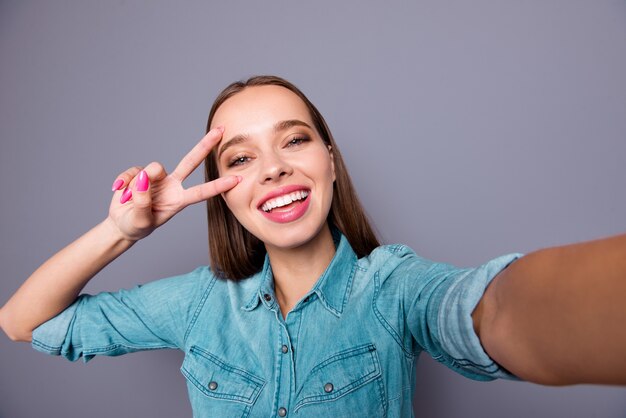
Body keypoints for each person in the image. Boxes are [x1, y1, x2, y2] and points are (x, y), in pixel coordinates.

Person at [0, 75, 625, 417]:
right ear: (223, 191)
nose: (271, 168)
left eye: (293, 140)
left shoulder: (391, 287)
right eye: (240, 157)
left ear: (329, 159)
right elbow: (24, 322)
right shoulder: (198, 305)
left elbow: (494, 309)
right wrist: (121, 232)